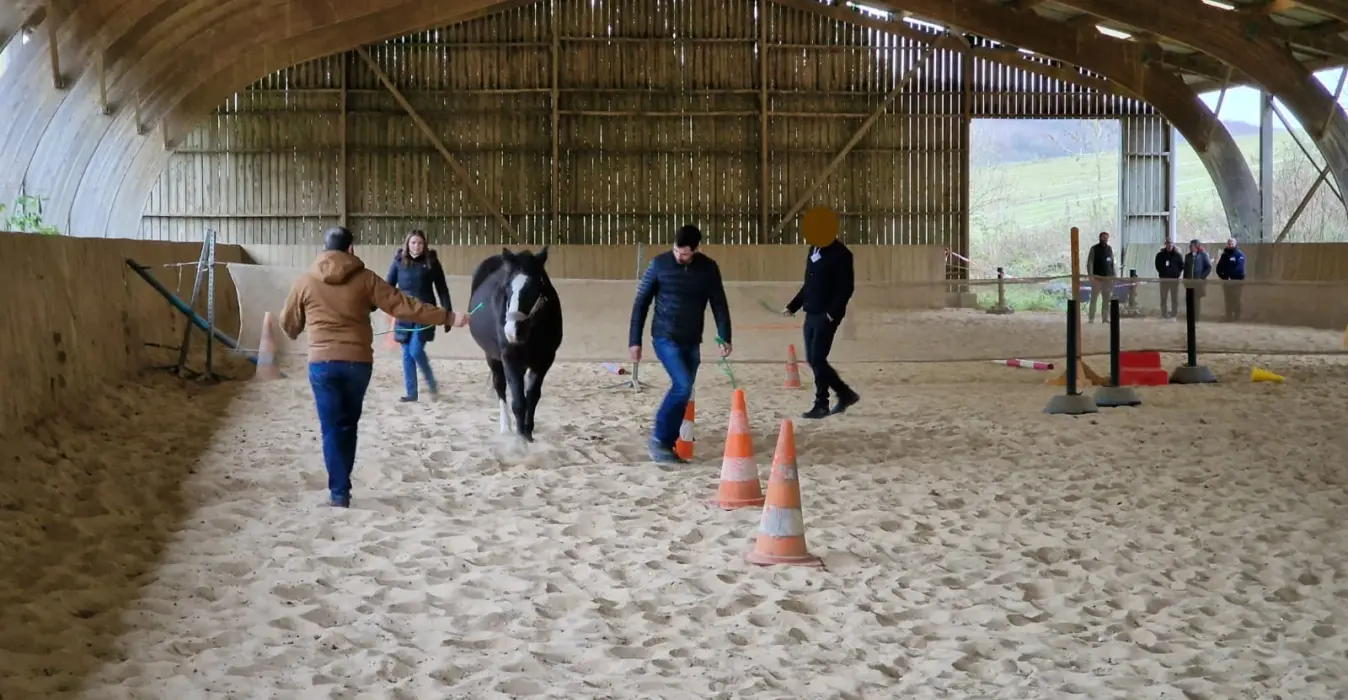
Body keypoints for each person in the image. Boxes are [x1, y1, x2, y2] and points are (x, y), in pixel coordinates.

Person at [280, 226, 470, 508]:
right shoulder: (366, 279)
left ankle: (339, 492)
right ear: (351, 249)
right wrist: (448, 317)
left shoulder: (305, 281)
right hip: (357, 363)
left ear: (324, 249)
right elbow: (405, 305)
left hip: (321, 364)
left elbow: (289, 326)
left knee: (331, 427)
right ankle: (342, 488)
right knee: (348, 424)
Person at [628, 225, 732, 465]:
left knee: (684, 392)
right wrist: (635, 340)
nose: (679, 256)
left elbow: (719, 303)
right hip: (664, 337)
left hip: (692, 339)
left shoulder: (708, 268)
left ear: (696, 250)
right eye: (676, 251)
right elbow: (641, 303)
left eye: (684, 254)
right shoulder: (659, 265)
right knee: (683, 385)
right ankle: (659, 440)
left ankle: (668, 443)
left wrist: (725, 336)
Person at [782, 236, 859, 419]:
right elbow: (809, 285)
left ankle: (828, 400)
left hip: (826, 315)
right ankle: (837, 397)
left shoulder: (841, 253)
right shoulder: (814, 249)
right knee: (814, 359)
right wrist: (793, 306)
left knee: (817, 358)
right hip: (811, 312)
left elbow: (846, 288)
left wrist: (831, 314)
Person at [386, 230, 453, 402]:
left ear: (425, 245)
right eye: (413, 243)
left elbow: (442, 290)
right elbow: (387, 287)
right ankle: (411, 393)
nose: (417, 246)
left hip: (426, 313)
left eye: (420, 243)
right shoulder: (399, 261)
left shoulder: (431, 262)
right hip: (404, 313)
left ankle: (432, 386)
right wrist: (389, 306)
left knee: (415, 350)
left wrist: (447, 314)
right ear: (408, 244)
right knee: (406, 353)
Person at [1085, 231, 1116, 323]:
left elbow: (1112, 263)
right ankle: (1091, 318)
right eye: (1103, 237)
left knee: (1106, 299)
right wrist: (1091, 275)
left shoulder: (1109, 249)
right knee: (1094, 299)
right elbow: (1090, 262)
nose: (1105, 239)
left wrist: (1114, 276)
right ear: (1100, 238)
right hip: (1097, 278)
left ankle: (1105, 318)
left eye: (1106, 238)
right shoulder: (1094, 249)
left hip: (1107, 278)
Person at [1215, 237, 1246, 322]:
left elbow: (1239, 269)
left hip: (1237, 282)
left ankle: (1237, 317)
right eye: (1229, 244)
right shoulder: (1224, 255)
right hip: (1227, 282)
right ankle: (1228, 316)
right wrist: (1224, 277)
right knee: (1228, 299)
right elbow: (1219, 268)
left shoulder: (1239, 254)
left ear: (1235, 244)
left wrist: (1231, 276)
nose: (1230, 245)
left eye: (1232, 243)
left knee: (1236, 299)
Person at [1154, 237, 1184, 320]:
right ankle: (1164, 314)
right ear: (1165, 244)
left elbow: (1181, 266)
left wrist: (1176, 273)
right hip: (1164, 280)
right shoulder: (1160, 255)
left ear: (1173, 244)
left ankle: (1174, 314)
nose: (1169, 245)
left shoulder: (1178, 255)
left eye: (1171, 243)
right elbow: (1157, 265)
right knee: (1163, 297)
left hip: (1174, 280)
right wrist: (1162, 273)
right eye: (1168, 243)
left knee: (1174, 298)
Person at [1182, 238, 1213, 319]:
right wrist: (1185, 279)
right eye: (1190, 246)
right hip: (1189, 282)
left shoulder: (1203, 255)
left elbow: (1208, 267)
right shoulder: (1188, 256)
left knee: (1196, 300)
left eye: (1192, 246)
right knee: (1189, 300)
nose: (1190, 247)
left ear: (1197, 246)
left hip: (1198, 282)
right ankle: (1189, 316)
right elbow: (1185, 269)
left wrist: (1202, 277)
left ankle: (1196, 317)